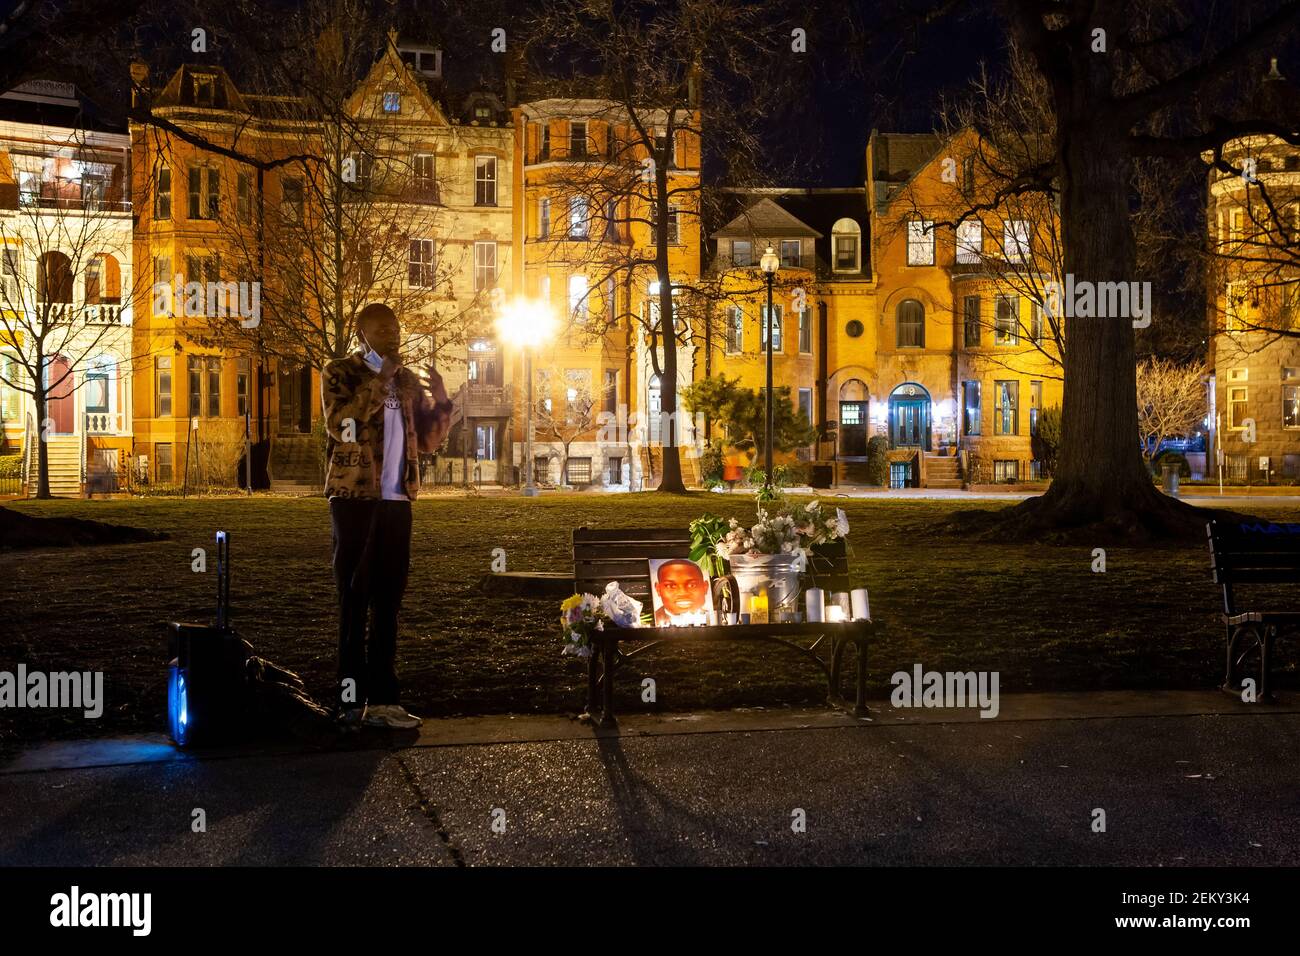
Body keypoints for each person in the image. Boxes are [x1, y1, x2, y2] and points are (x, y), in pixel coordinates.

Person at [321, 303, 453, 730]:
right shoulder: (340, 372)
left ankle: (384, 700)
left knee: (388, 600)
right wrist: (379, 382)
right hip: (355, 497)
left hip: (398, 501)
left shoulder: (408, 381)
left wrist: (442, 401)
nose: (393, 335)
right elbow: (342, 426)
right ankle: (348, 701)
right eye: (383, 329)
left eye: (396, 328)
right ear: (363, 334)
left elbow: (428, 441)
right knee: (354, 597)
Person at [652, 559, 712, 626]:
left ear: (705, 587)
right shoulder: (654, 620)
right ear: (658, 589)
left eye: (692, 585)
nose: (682, 592)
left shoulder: (713, 618)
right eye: (670, 586)